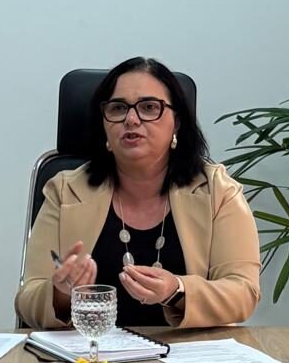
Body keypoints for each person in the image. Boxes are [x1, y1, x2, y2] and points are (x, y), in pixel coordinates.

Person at [15, 57, 260, 329]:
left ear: (177, 122)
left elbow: (244, 292)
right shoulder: (65, 191)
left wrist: (177, 290)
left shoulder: (216, 190)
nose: (131, 119)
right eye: (118, 108)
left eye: (149, 107)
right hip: (90, 351)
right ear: (104, 123)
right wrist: (60, 293)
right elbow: (27, 300)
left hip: (188, 352)